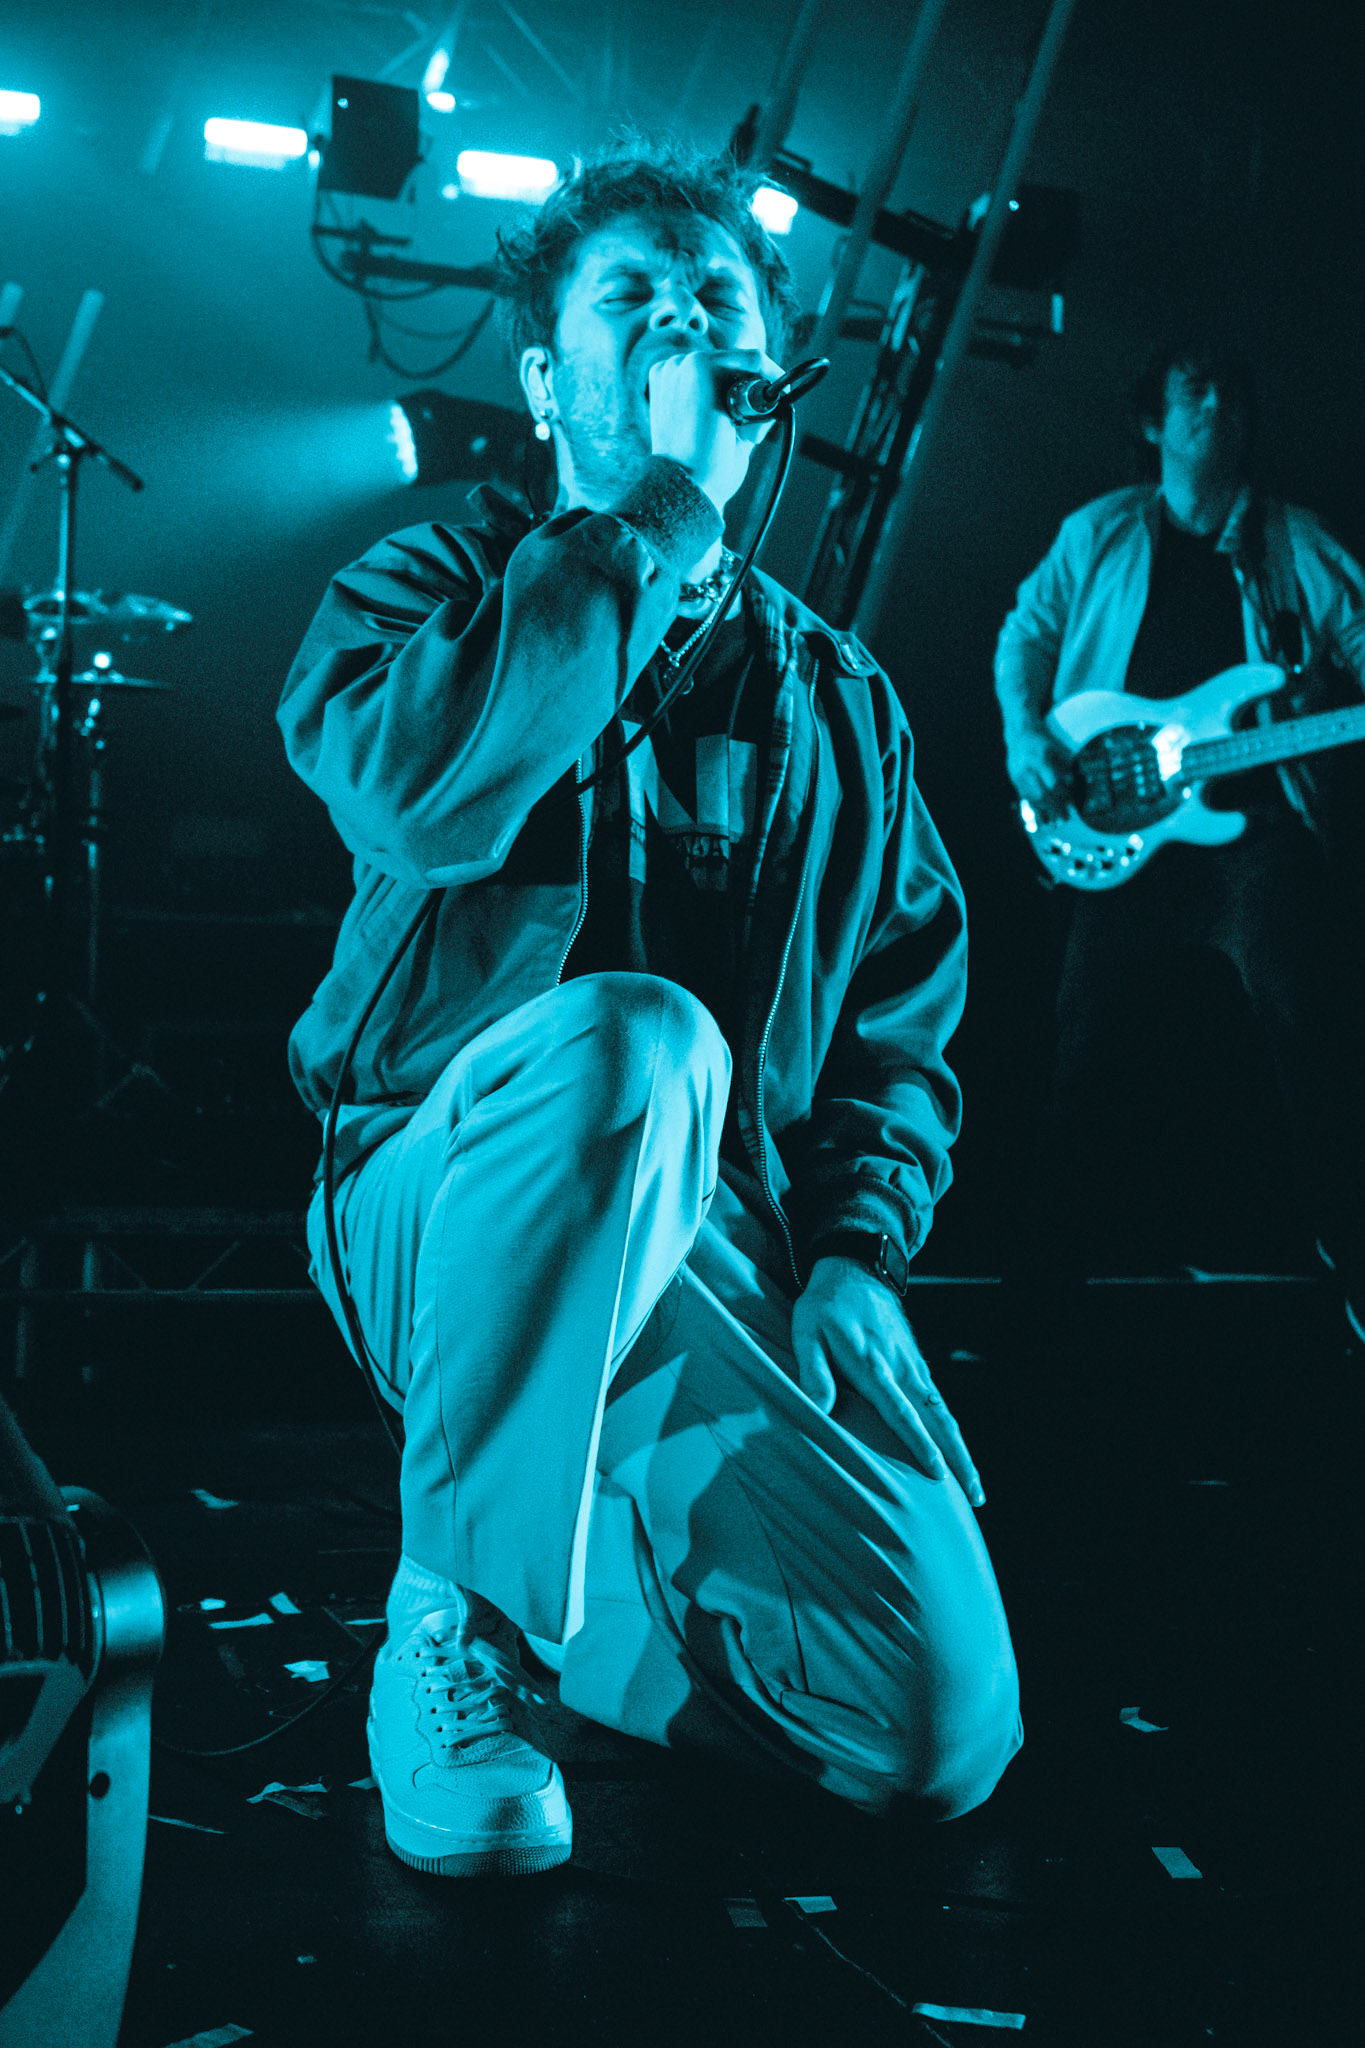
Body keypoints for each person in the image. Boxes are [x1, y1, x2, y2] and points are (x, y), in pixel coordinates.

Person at [279, 139, 1020, 1880]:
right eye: (634, 297)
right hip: (433, 1198)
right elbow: (418, 798)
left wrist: (854, 1252)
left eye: (716, 298)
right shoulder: (422, 591)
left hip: (710, 1237)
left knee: (932, 1733)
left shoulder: (838, 696)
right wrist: (667, 513)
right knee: (640, 1037)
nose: (684, 318)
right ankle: (457, 1623)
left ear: (769, 367)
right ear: (547, 380)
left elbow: (899, 1014)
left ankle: (574, 1586)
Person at [995, 342, 1365, 1320]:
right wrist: (1026, 737)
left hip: (1255, 836)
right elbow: (1024, 634)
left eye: (1231, 391)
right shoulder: (1100, 531)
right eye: (1195, 389)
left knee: (1310, 1027)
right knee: (1081, 1056)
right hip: (1121, 836)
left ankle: (1355, 1269)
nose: (1217, 404)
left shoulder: (1294, 541)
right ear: (1152, 421)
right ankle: (1036, 1306)